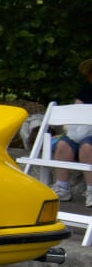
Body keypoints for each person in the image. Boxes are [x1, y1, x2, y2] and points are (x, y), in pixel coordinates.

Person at [49, 58, 92, 207]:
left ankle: (91, 191)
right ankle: (62, 187)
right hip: (81, 131)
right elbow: (77, 110)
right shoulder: (86, 89)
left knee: (87, 147)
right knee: (62, 145)